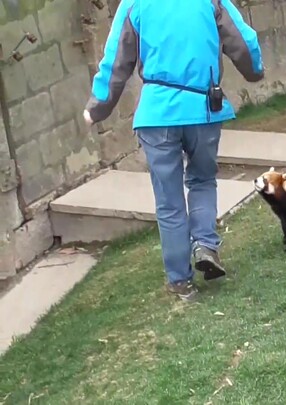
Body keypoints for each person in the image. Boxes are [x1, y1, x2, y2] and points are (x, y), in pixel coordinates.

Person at [83, 0, 264, 302]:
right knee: (203, 180)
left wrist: (98, 107)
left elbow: (116, 58)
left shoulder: (135, 4)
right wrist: (255, 71)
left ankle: (181, 282)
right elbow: (243, 41)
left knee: (169, 202)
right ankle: (205, 244)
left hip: (156, 116)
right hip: (203, 111)